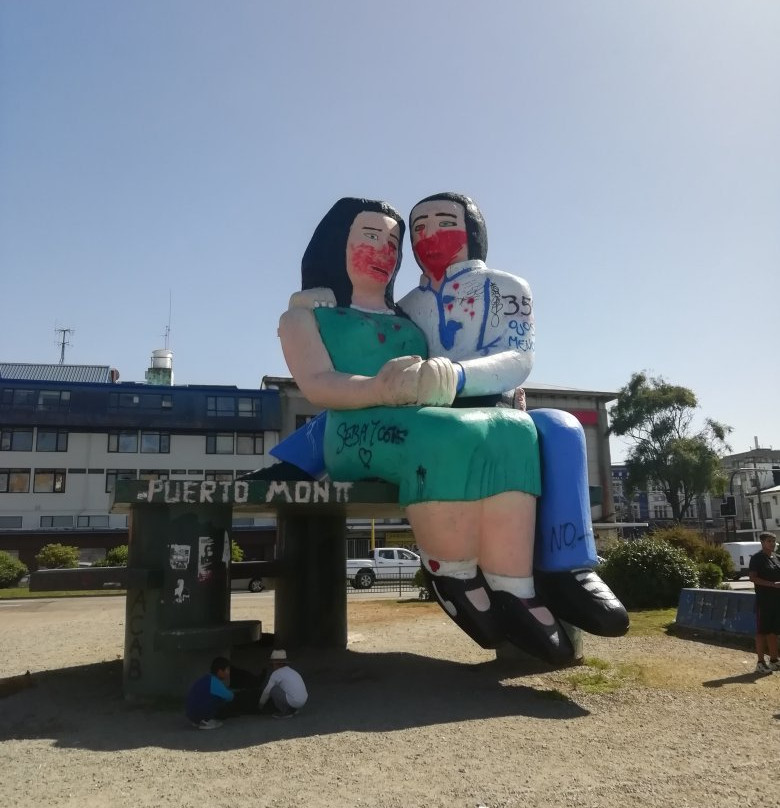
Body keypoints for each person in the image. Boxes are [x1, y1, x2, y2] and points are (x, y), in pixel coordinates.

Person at [275, 192, 628, 641]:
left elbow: (518, 355)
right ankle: (455, 569)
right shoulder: (404, 306)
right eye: (418, 229)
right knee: (451, 435)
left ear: (472, 231)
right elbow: (346, 374)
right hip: (425, 417)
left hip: (477, 404)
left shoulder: (502, 289)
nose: (428, 237)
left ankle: (560, 567)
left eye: (444, 224)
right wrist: (317, 295)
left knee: (558, 428)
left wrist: (458, 377)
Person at [185, 656, 265, 729]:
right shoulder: (215, 682)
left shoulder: (207, 678)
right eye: (227, 670)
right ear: (220, 671)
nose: (229, 672)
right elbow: (230, 697)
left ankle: (200, 720)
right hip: (199, 714)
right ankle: (205, 721)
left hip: (191, 714)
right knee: (229, 699)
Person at [748, 532, 780, 673]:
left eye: (774, 541)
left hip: (777, 600)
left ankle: (774, 661)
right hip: (764, 601)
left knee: (773, 631)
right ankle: (760, 663)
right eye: (769, 541)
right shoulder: (757, 558)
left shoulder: (777, 557)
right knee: (762, 631)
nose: (772, 544)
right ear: (762, 542)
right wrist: (772, 584)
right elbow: (752, 578)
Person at [258, 649, 309, 718]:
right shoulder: (291, 671)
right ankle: (293, 709)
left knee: (273, 690)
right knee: (284, 688)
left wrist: (261, 704)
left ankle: (285, 712)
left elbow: (267, 691)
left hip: (295, 701)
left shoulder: (276, 673)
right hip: (303, 700)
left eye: (272, 664)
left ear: (276, 664)